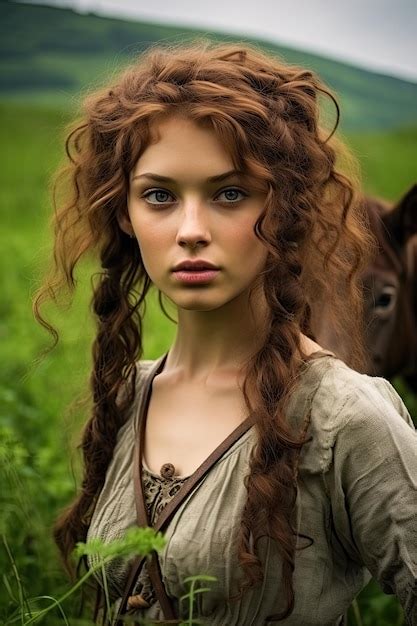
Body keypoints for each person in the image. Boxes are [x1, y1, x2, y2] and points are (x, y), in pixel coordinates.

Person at [34, 41, 417, 625]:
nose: (191, 230)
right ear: (124, 214)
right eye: (159, 195)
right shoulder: (127, 395)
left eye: (230, 193)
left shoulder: (345, 415)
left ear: (287, 208)